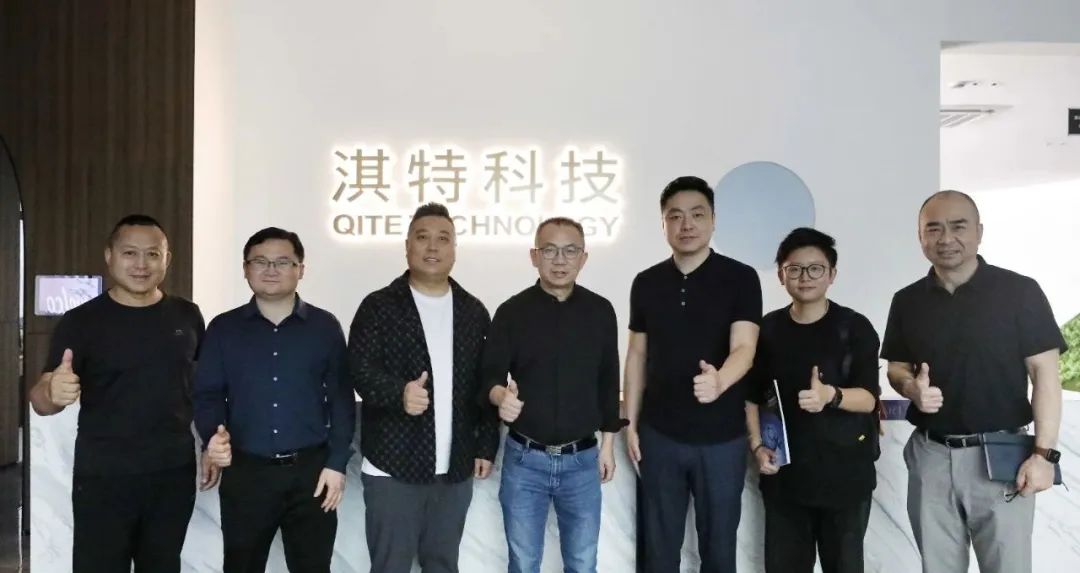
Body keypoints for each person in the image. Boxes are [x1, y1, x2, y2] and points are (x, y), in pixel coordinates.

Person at [882, 190, 1067, 573]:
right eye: (934, 229)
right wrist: (910, 387)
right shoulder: (907, 300)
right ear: (920, 237)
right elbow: (896, 367)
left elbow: (1045, 375)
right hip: (931, 456)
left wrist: (1044, 455)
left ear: (979, 232)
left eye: (958, 227)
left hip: (1003, 457)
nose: (946, 238)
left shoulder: (1020, 292)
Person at [29, 214, 205, 573]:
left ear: (167, 259)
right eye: (130, 253)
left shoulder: (187, 315)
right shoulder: (81, 321)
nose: (142, 264)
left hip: (173, 472)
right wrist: (52, 392)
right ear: (109, 256)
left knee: (163, 566)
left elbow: (202, 386)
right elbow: (40, 401)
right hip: (104, 476)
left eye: (152, 254)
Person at [193, 227, 355, 572]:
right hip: (246, 472)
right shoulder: (223, 329)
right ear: (245, 269)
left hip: (312, 473)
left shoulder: (324, 327)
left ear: (300, 269)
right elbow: (207, 394)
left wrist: (337, 463)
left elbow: (341, 399)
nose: (271, 270)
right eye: (260, 261)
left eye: (282, 262)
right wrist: (212, 437)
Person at [349, 202, 499, 573]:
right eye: (423, 237)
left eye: (443, 239)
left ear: (454, 250)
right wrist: (398, 393)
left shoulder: (473, 311)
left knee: (443, 565)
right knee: (390, 566)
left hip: (456, 467)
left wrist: (485, 444)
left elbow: (486, 383)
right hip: (392, 465)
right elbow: (358, 371)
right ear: (407, 246)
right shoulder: (379, 306)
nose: (433, 247)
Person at [623, 176, 762, 573]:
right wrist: (631, 423)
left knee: (718, 548)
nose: (686, 225)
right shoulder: (646, 282)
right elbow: (636, 355)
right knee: (657, 549)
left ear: (713, 220)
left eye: (697, 215)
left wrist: (720, 381)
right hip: (659, 435)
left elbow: (745, 348)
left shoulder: (740, 277)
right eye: (675, 216)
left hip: (722, 439)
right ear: (663, 224)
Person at [482, 217, 623, 573]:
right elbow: (489, 377)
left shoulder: (600, 311)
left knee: (582, 562)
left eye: (570, 251)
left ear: (583, 258)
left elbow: (608, 380)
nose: (560, 260)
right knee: (524, 562)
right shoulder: (512, 312)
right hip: (524, 459)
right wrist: (501, 397)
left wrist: (608, 445)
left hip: (582, 461)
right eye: (549, 251)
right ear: (534, 256)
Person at [745, 227, 881, 573]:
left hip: (845, 477)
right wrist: (758, 446)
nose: (804, 277)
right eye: (794, 269)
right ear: (781, 275)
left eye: (815, 268)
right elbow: (752, 398)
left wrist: (830, 396)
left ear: (832, 274)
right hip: (785, 481)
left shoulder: (855, 328)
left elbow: (868, 399)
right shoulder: (767, 330)